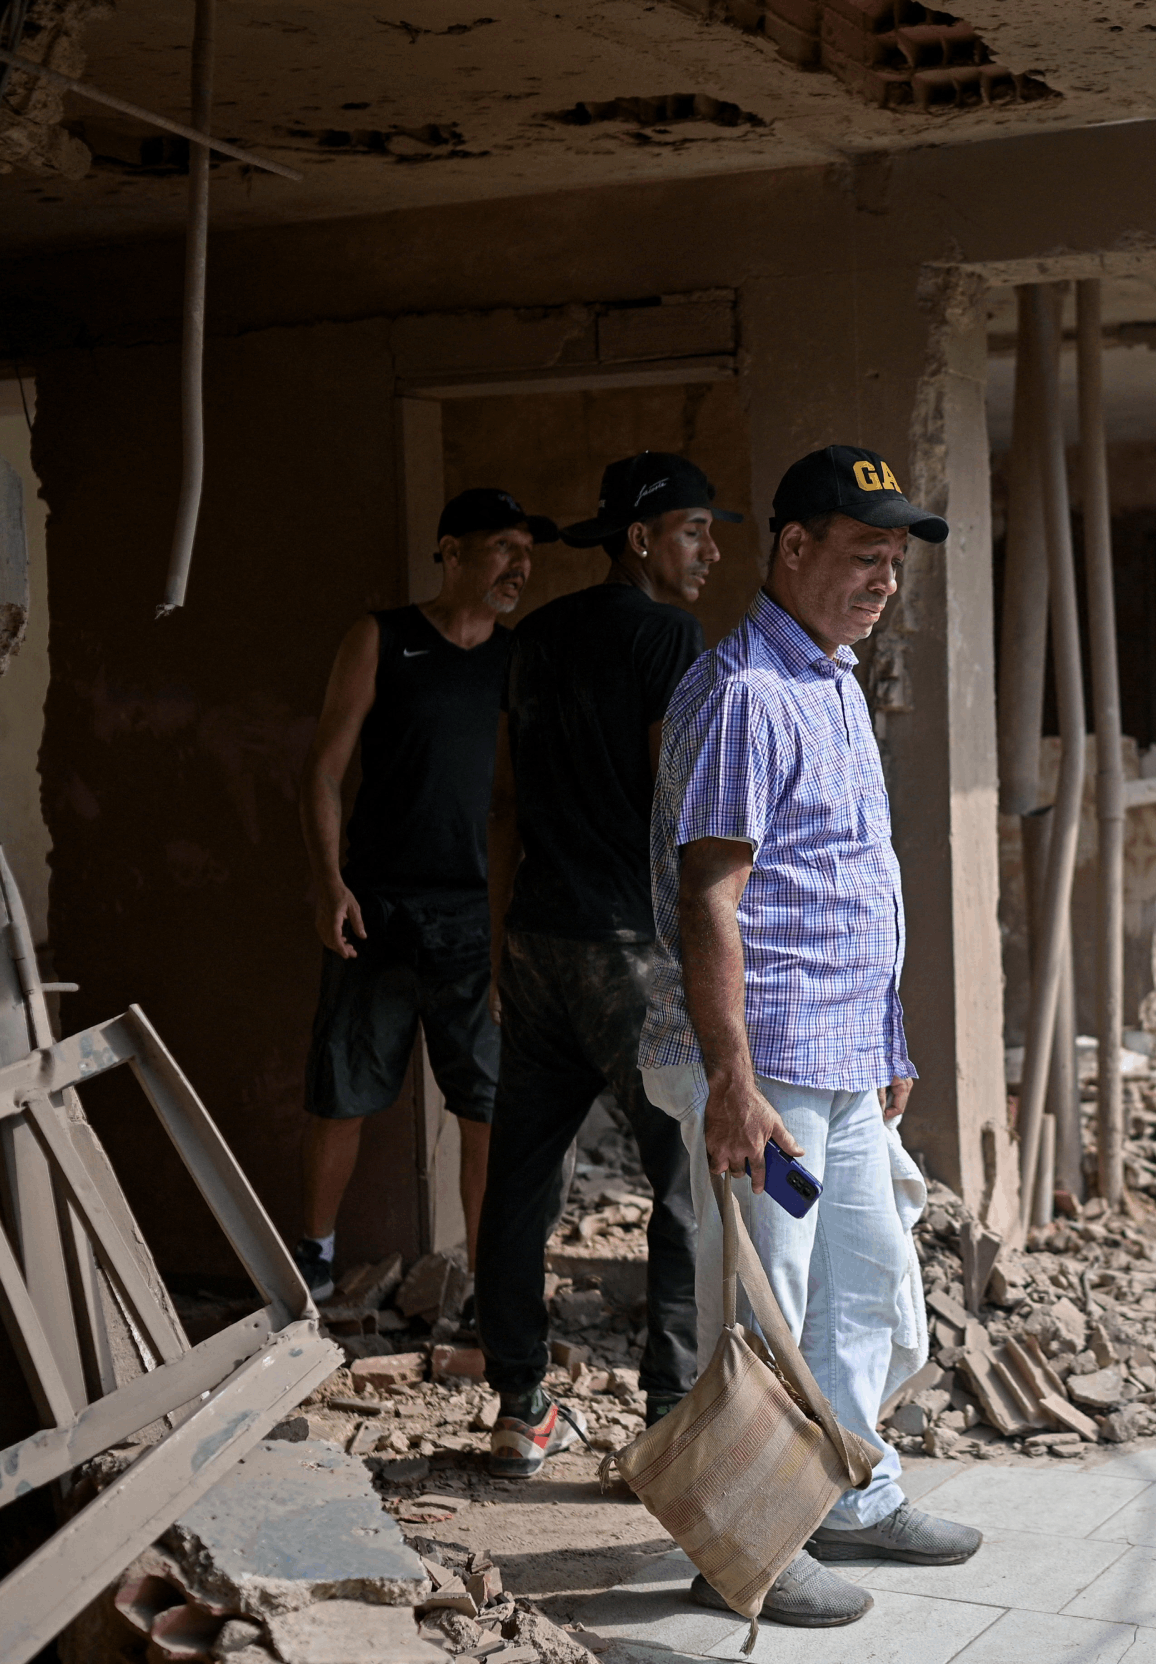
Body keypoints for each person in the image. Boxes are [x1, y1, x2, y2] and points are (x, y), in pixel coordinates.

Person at [639, 446, 982, 1629]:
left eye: (895, 561)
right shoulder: (743, 692)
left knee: (867, 1283)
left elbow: (849, 878)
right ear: (793, 547)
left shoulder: (828, 678)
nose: (885, 580)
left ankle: (852, 1496)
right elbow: (710, 895)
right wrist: (731, 1080)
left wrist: (890, 1037)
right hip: (771, 1069)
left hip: (840, 1059)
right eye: (866, 555)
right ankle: (751, 1543)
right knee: (765, 1307)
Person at [474, 452, 740, 1479]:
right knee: (679, 1183)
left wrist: (502, 941)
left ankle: (518, 1408)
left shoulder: (534, 636)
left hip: (539, 943)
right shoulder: (668, 637)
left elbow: (505, 801)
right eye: (692, 531)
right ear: (639, 540)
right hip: (633, 952)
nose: (709, 552)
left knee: (519, 1183)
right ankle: (669, 1417)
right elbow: (677, 808)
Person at [291, 487, 549, 1299]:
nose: (519, 566)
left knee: (486, 1108)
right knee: (342, 1093)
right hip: (376, 911)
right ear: (451, 551)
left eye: (527, 553)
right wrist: (329, 884)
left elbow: (528, 798)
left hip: (478, 921)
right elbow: (323, 770)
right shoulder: (382, 637)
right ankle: (314, 1267)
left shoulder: (518, 660)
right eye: (503, 548)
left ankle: (486, 1293)